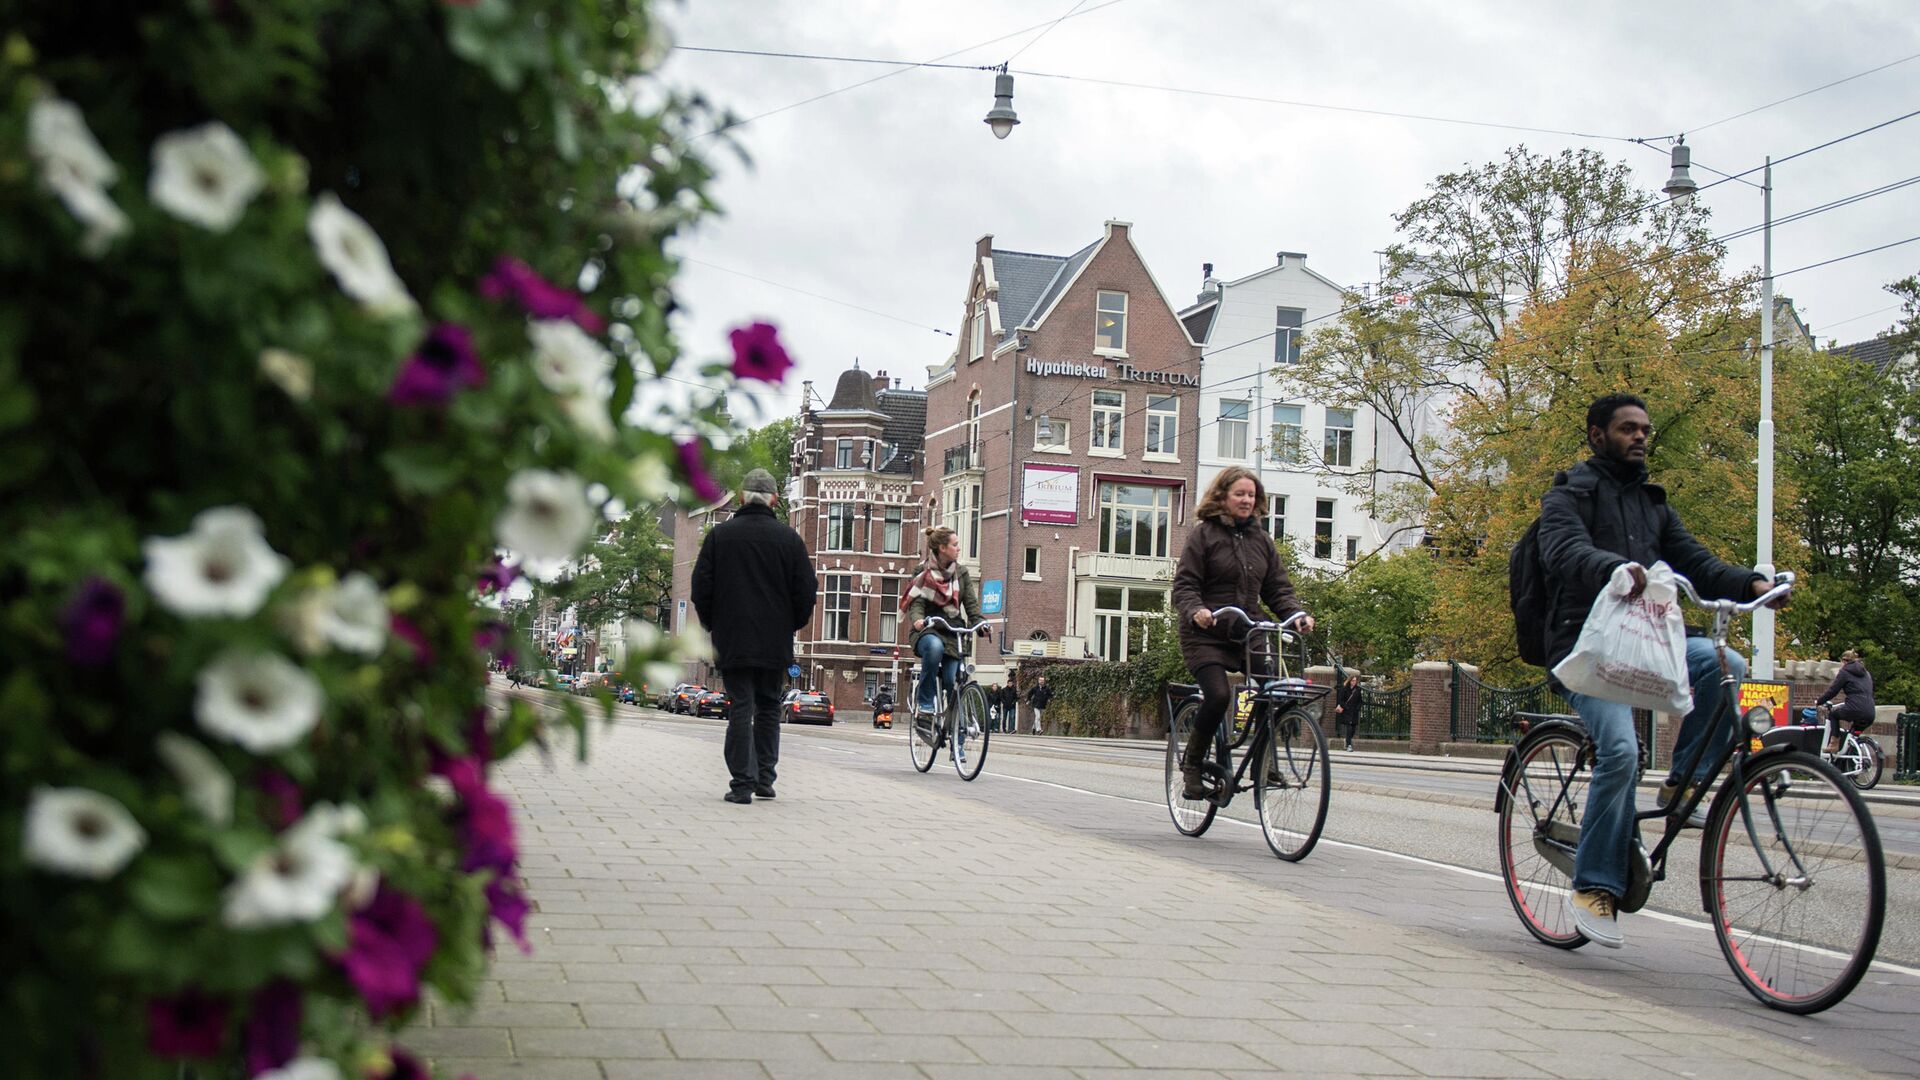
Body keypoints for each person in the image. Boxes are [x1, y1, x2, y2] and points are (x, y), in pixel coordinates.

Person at [1536, 393, 1784, 948]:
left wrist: (1752, 586)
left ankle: (1684, 781)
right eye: (1629, 428)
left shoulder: (1653, 503)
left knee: (1728, 663)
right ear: (1598, 434)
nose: (1641, 436)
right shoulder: (1568, 495)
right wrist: (1615, 568)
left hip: (1645, 643)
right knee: (1622, 752)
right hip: (1587, 650)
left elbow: (1696, 561)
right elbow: (1563, 550)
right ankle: (1595, 886)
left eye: (1646, 429)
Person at [1171, 466, 1312, 801]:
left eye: (1251, 495)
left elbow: (1278, 589)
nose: (1247, 500)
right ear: (1222, 496)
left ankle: (1261, 762)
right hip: (1206, 633)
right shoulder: (1203, 536)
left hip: (1249, 630)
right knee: (1219, 696)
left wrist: (1296, 615)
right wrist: (1197, 611)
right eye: (1240, 494)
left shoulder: (1262, 541)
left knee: (1278, 691)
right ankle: (1192, 763)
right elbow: (1185, 585)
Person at [691, 469, 818, 804]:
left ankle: (741, 784)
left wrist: (713, 623)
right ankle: (764, 778)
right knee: (768, 707)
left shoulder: (720, 537)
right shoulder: (790, 540)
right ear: (775, 499)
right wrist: (792, 624)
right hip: (775, 640)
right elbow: (806, 592)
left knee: (741, 706)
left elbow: (700, 588)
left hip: (733, 637)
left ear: (742, 496)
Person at [903, 526, 987, 721]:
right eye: (955, 545)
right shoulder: (922, 572)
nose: (958, 549)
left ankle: (958, 733)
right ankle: (925, 701)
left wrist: (980, 623)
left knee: (952, 679)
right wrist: (917, 620)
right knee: (934, 647)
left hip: (953, 633)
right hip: (928, 629)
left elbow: (972, 607)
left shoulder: (962, 573)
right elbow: (917, 603)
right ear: (942, 548)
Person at [1816, 649, 1875, 754]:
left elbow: (1832, 691)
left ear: (1843, 661)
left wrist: (1819, 701)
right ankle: (1850, 758)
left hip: (1855, 708)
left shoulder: (1845, 671)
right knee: (1851, 738)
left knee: (1833, 714)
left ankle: (1834, 744)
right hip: (1870, 711)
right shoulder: (1866, 673)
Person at [1334, 672, 1362, 752]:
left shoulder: (1358, 689)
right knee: (1349, 727)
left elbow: (1360, 701)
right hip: (1347, 711)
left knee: (1353, 729)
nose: (1354, 682)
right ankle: (1349, 745)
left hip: (1354, 711)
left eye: (1355, 681)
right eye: (1353, 680)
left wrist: (1358, 708)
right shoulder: (1345, 689)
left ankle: (1347, 741)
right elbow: (1341, 700)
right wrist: (1346, 707)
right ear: (1350, 681)